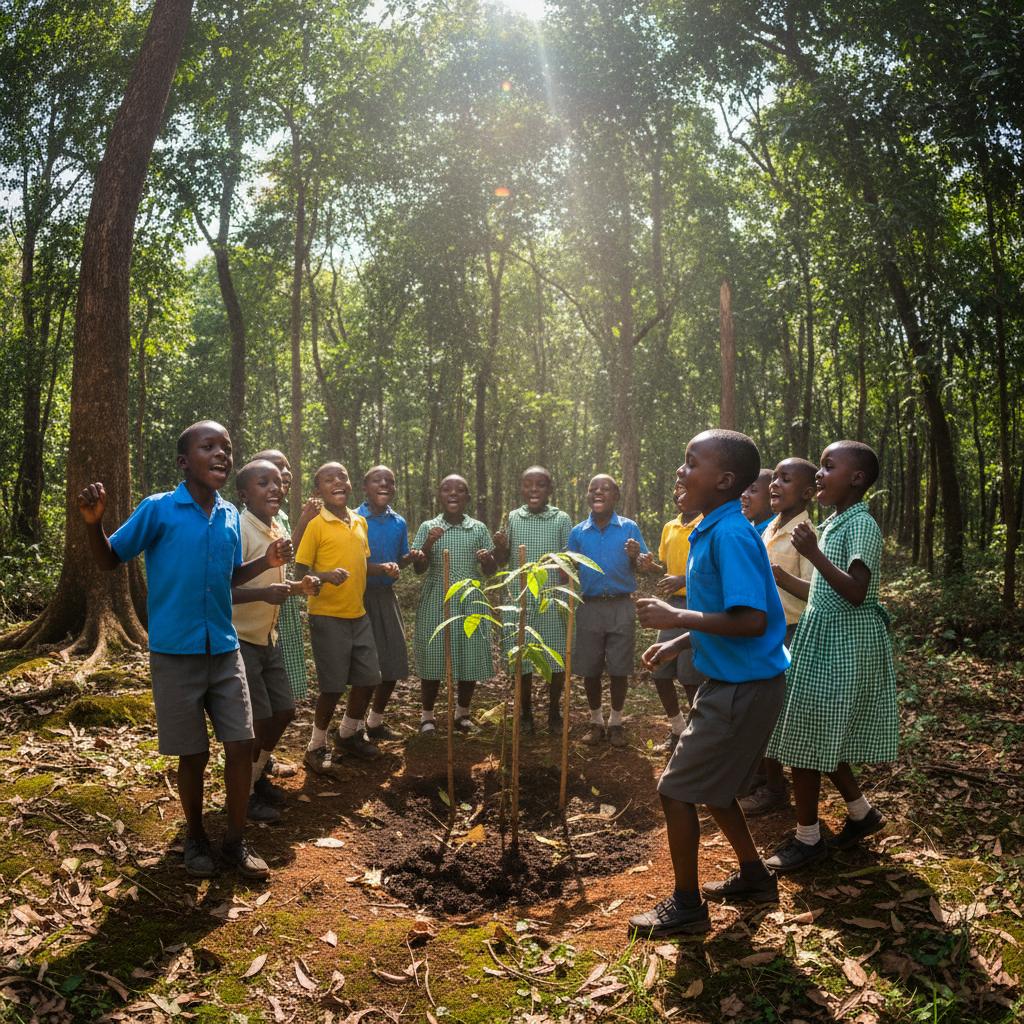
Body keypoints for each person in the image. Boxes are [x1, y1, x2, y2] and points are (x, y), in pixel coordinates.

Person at [78, 420, 289, 880]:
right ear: (183, 462)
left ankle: (234, 838)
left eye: (226, 447)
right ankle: (196, 836)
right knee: (192, 754)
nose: (220, 454)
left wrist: (265, 561)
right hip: (175, 654)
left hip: (225, 649)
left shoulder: (231, 515)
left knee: (242, 742)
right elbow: (109, 559)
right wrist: (95, 526)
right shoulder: (159, 509)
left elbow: (228, 577)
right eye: (208, 446)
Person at [628, 429, 790, 938]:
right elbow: (720, 612)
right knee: (715, 791)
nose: (680, 470)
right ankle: (755, 876)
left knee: (675, 790)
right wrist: (677, 643)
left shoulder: (730, 534)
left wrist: (674, 614)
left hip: (742, 687)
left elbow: (751, 620)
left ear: (723, 480)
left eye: (690, 461)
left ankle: (686, 907)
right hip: (731, 681)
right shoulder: (709, 530)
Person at [763, 441, 896, 872]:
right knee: (820, 734)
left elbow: (857, 592)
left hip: (843, 644)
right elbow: (825, 592)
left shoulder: (862, 525)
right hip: (823, 638)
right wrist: (786, 575)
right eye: (819, 466)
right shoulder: (838, 521)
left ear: (856, 479)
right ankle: (863, 815)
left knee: (805, 737)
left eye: (828, 466)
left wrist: (812, 554)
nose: (819, 474)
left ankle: (807, 839)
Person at [232, 459, 321, 822]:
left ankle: (256, 779)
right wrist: (263, 595)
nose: (274, 488)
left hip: (269, 637)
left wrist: (299, 587)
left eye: (278, 483)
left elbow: (274, 585)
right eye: (263, 483)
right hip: (241, 639)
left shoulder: (275, 528)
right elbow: (222, 587)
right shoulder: (238, 528)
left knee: (284, 712)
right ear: (243, 494)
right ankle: (244, 795)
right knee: (257, 720)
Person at [296, 462, 394, 773]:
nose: (338, 482)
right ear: (318, 491)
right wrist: (324, 576)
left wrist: (384, 567)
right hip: (327, 615)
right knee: (333, 686)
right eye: (329, 479)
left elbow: (361, 565)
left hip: (358, 613)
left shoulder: (359, 521)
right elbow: (300, 574)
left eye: (343, 476)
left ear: (351, 485)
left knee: (368, 679)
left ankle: (348, 734)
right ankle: (316, 746)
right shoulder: (316, 525)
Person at [738, 457, 818, 815]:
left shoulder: (806, 534)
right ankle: (766, 780)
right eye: (775, 479)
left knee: (781, 717)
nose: (775, 485)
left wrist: (781, 579)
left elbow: (818, 592)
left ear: (807, 492)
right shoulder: (768, 528)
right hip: (765, 633)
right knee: (762, 712)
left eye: (786, 479)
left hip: (792, 635)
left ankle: (775, 789)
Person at [567, 474, 654, 748]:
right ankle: (595, 723)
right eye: (593, 489)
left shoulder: (629, 528)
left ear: (616, 497)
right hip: (589, 606)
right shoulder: (578, 532)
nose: (598, 492)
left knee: (619, 669)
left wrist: (637, 556)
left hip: (621, 605)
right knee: (590, 669)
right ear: (588, 496)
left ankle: (616, 723)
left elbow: (644, 565)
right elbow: (569, 570)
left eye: (606, 489)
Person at [412, 475, 497, 736]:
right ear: (439, 496)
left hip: (470, 597)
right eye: (447, 489)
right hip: (437, 596)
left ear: (467, 498)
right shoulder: (429, 526)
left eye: (460, 490)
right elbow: (418, 568)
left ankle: (462, 714)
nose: (453, 493)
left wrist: (486, 559)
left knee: (469, 652)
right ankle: (427, 717)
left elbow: (491, 571)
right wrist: (429, 542)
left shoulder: (478, 528)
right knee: (434, 652)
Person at [492, 466, 573, 734]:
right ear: (522, 489)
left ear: (550, 489)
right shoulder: (514, 517)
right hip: (519, 598)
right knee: (522, 659)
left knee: (556, 657)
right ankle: (525, 714)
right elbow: (503, 561)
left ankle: (553, 714)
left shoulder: (561, 519)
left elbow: (568, 562)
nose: (534, 490)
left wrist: (556, 576)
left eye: (540, 485)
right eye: (528, 485)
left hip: (551, 599)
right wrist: (501, 547)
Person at [355, 465, 423, 740]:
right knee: (365, 668)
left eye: (390, 481)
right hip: (358, 598)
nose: (384, 485)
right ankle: (354, 729)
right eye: (377, 480)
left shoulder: (399, 522)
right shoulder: (353, 519)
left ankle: (375, 722)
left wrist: (412, 556)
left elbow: (399, 560)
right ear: (365, 488)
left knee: (393, 663)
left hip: (387, 597)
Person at [648, 475, 704, 755]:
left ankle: (697, 738)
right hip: (672, 606)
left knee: (690, 677)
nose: (678, 491)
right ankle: (678, 729)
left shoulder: (707, 524)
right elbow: (666, 570)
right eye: (676, 487)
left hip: (697, 606)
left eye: (684, 486)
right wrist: (650, 568)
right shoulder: (670, 527)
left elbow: (709, 574)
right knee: (660, 670)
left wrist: (683, 580)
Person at [741, 468, 775, 534]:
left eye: (753, 490)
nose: (743, 495)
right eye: (743, 489)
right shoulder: (752, 530)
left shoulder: (773, 532)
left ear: (771, 497)